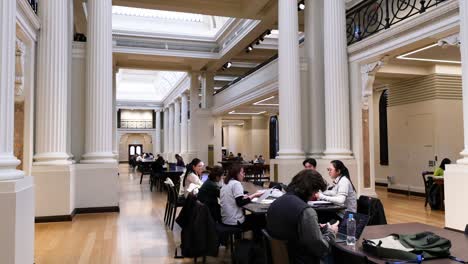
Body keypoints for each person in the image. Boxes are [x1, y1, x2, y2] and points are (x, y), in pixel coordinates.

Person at [267, 169, 338, 264]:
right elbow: (321, 249)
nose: (315, 195)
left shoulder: (275, 203)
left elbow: (292, 229)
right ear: (310, 190)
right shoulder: (306, 211)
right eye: (316, 191)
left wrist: (315, 227)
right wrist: (331, 232)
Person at [220, 165, 264, 232]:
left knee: (254, 217)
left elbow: (234, 198)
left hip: (226, 219)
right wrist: (254, 195)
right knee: (260, 218)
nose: (244, 174)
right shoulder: (236, 183)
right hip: (235, 221)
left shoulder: (226, 183)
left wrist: (245, 197)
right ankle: (257, 241)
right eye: (242, 172)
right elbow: (240, 203)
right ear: (237, 173)